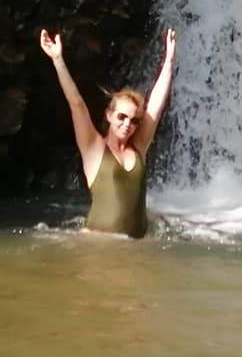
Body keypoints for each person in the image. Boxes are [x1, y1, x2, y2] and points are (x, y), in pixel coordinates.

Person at [39, 27, 176, 238]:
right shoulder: (93, 148)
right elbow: (77, 104)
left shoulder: (138, 148)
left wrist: (168, 62)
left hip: (134, 252)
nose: (127, 124)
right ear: (109, 115)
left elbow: (156, 107)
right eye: (121, 117)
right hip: (98, 247)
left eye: (134, 120)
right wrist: (58, 60)